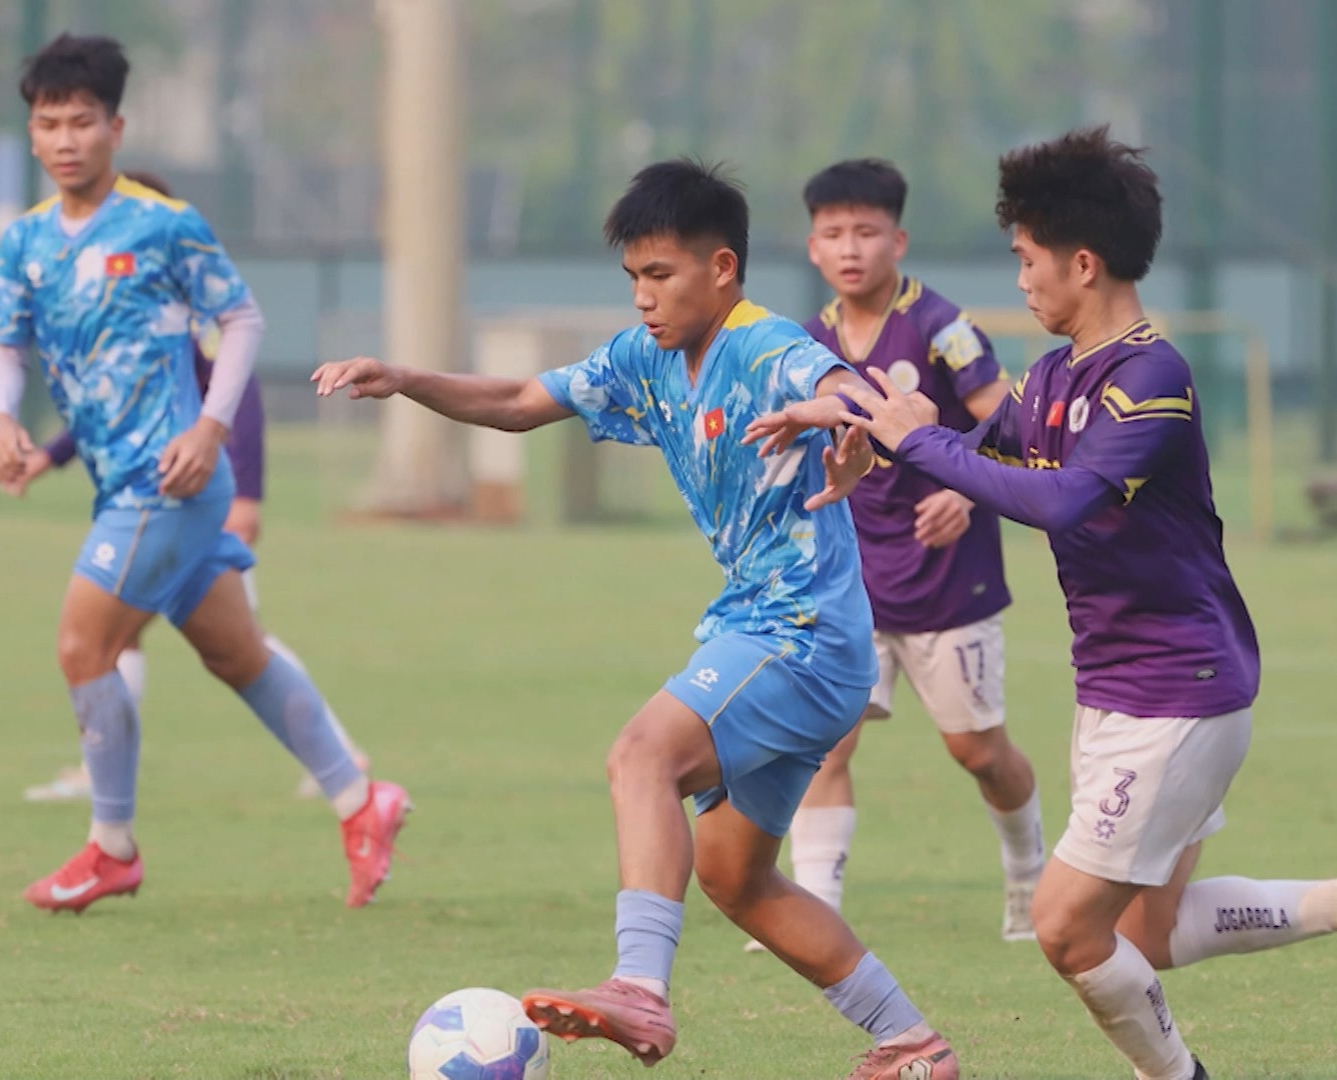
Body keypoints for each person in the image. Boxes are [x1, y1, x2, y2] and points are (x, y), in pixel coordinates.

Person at [749, 126, 1337, 1080]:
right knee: (1147, 934)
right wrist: (860, 422)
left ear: (1082, 264)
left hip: (1177, 694)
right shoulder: (1053, 375)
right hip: (1119, 690)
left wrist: (921, 444)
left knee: (1063, 927)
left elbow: (1062, 498)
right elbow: (968, 446)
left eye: (1027, 259)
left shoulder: (1151, 377)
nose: (1020, 280)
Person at [313, 159, 960, 1080]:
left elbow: (900, 407)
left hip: (799, 634)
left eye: (661, 274)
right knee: (736, 878)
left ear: (722, 269)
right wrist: (405, 377)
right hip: (774, 634)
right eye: (633, 278)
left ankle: (640, 989)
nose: (644, 297)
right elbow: (520, 402)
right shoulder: (642, 358)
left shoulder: (768, 346)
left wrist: (833, 409)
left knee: (640, 756)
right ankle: (913, 1045)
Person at [0, 33, 406, 913]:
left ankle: (111, 848)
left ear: (116, 127)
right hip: (119, 484)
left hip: (167, 483)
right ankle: (362, 801)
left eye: (82, 122)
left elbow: (241, 321)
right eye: (49, 124)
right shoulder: (24, 242)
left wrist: (211, 430)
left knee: (83, 646)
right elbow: (5, 348)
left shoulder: (163, 224)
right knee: (235, 653)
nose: (65, 139)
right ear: (31, 134)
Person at [11, 168, 367, 805]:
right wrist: (49, 457)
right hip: (154, 489)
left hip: (195, 489)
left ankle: (340, 758)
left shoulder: (188, 293)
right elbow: (106, 403)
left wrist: (248, 494)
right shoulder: (127, 297)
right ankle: (102, 780)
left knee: (232, 642)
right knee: (144, 637)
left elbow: (242, 391)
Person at [763, 158, 1041, 947]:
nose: (850, 248)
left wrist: (969, 490)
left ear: (899, 240)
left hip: (947, 578)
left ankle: (1030, 875)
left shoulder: (943, 329)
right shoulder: (809, 342)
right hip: (851, 579)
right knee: (825, 741)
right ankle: (814, 907)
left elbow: (1011, 425)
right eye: (833, 233)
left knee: (977, 751)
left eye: (867, 231)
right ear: (813, 247)